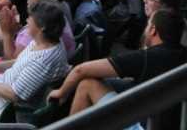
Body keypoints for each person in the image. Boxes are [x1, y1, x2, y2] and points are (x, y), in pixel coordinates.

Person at [48, 9, 187, 129]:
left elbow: (81, 70)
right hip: (175, 122)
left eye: (148, 23)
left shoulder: (147, 57)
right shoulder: (183, 54)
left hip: (146, 125)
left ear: (153, 30)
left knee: (87, 84)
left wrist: (61, 93)